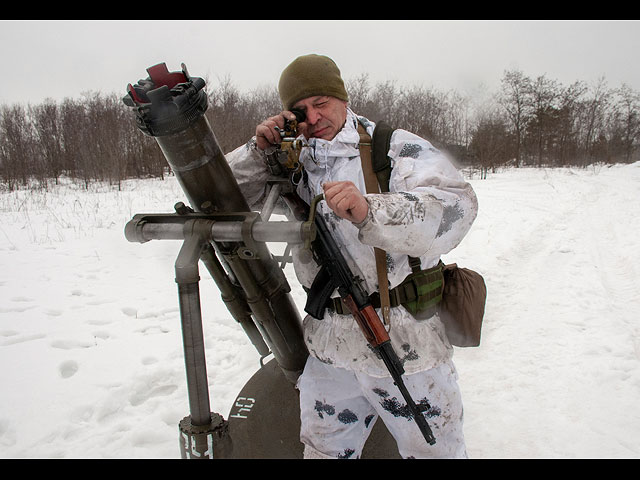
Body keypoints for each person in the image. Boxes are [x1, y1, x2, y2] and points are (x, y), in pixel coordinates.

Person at [225, 54, 478, 459]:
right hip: (331, 345)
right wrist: (258, 152)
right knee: (324, 449)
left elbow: (455, 208)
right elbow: (218, 199)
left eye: (321, 102)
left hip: (403, 339)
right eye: (300, 110)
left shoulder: (392, 147)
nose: (313, 117)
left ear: (343, 98)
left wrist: (371, 210)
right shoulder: (291, 156)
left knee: (435, 451)